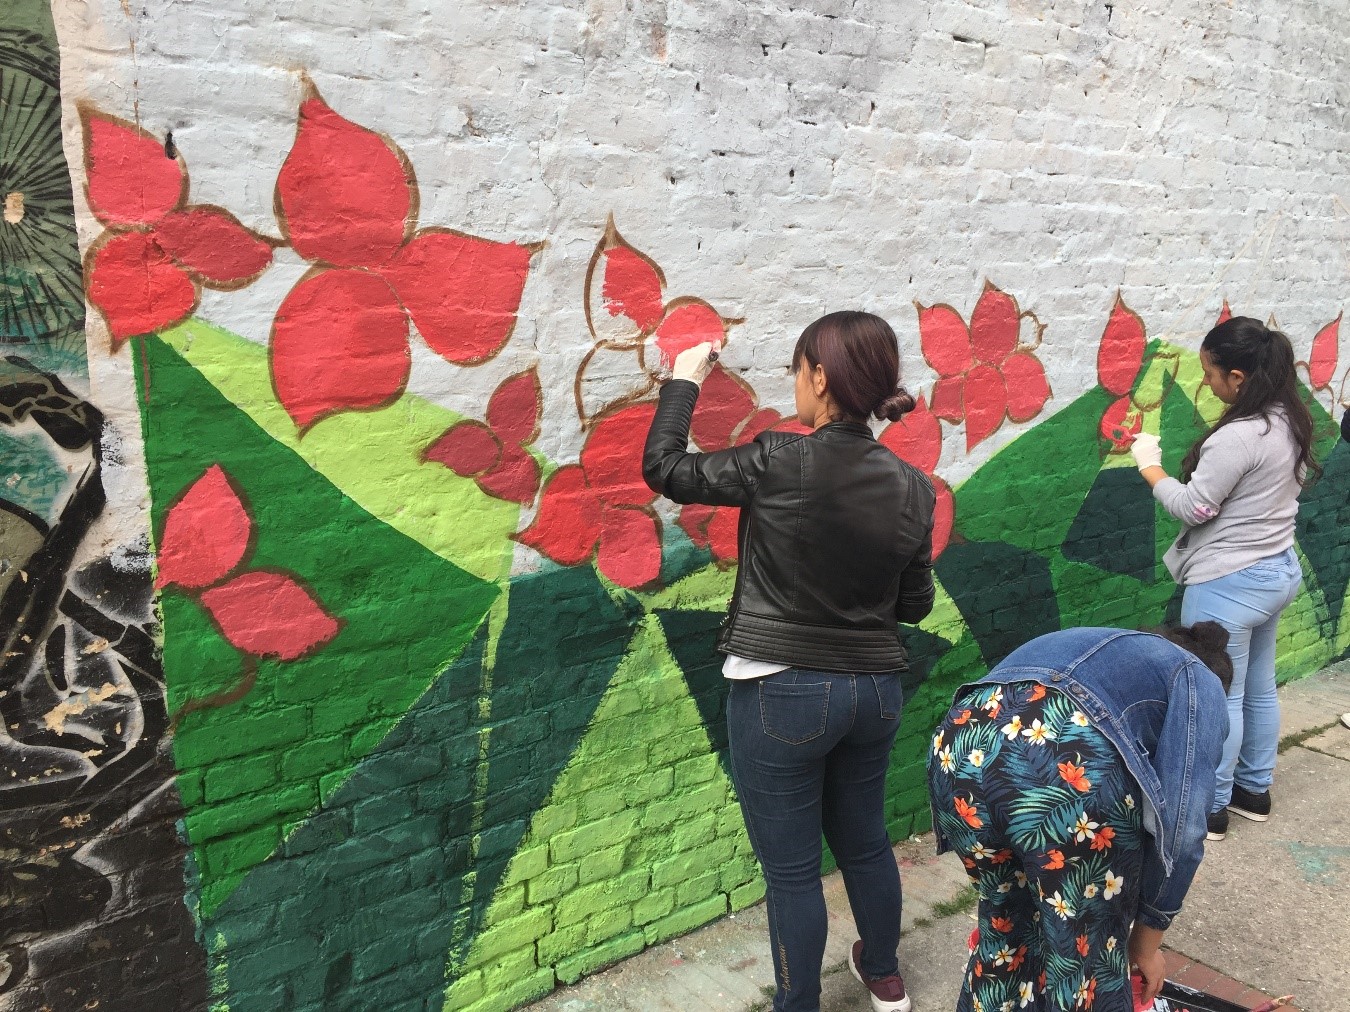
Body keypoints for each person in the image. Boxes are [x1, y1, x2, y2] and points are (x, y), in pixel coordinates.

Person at [643, 311, 937, 1012]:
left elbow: (666, 469)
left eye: (796, 370)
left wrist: (684, 382)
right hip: (875, 694)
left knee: (795, 873)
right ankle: (886, 978)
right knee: (865, 842)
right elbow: (916, 606)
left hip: (782, 693)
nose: (793, 385)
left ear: (822, 376)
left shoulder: (779, 456)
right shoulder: (913, 486)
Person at [927, 624, 1234, 1012]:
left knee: (1006, 934)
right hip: (1059, 767)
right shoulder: (1197, 677)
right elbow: (1184, 826)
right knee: (1083, 962)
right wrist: (1147, 939)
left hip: (956, 754)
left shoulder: (1109, 647)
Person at [1129, 317, 1320, 841]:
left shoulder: (1238, 437)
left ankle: (1210, 808)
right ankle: (1253, 791)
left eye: (1211, 373)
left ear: (1238, 377)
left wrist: (1149, 465)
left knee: (1219, 697)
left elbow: (1195, 507)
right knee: (1258, 687)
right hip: (1276, 571)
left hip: (1228, 583)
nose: (1207, 384)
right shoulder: (1289, 418)